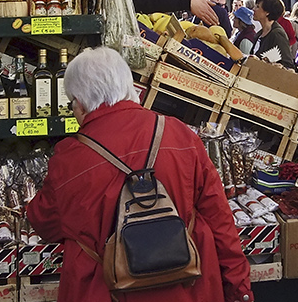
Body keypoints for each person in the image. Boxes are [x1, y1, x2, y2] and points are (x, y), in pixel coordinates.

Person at [26, 47, 253, 302]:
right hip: (188, 289)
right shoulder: (179, 134)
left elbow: (44, 223)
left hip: (105, 292)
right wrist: (239, 288)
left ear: (79, 103)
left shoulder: (70, 158)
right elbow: (219, 218)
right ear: (128, 86)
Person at [254, 0, 295, 67]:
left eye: (257, 7)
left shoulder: (277, 34)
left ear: (267, 12)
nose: (253, 9)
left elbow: (287, 64)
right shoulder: (259, 34)